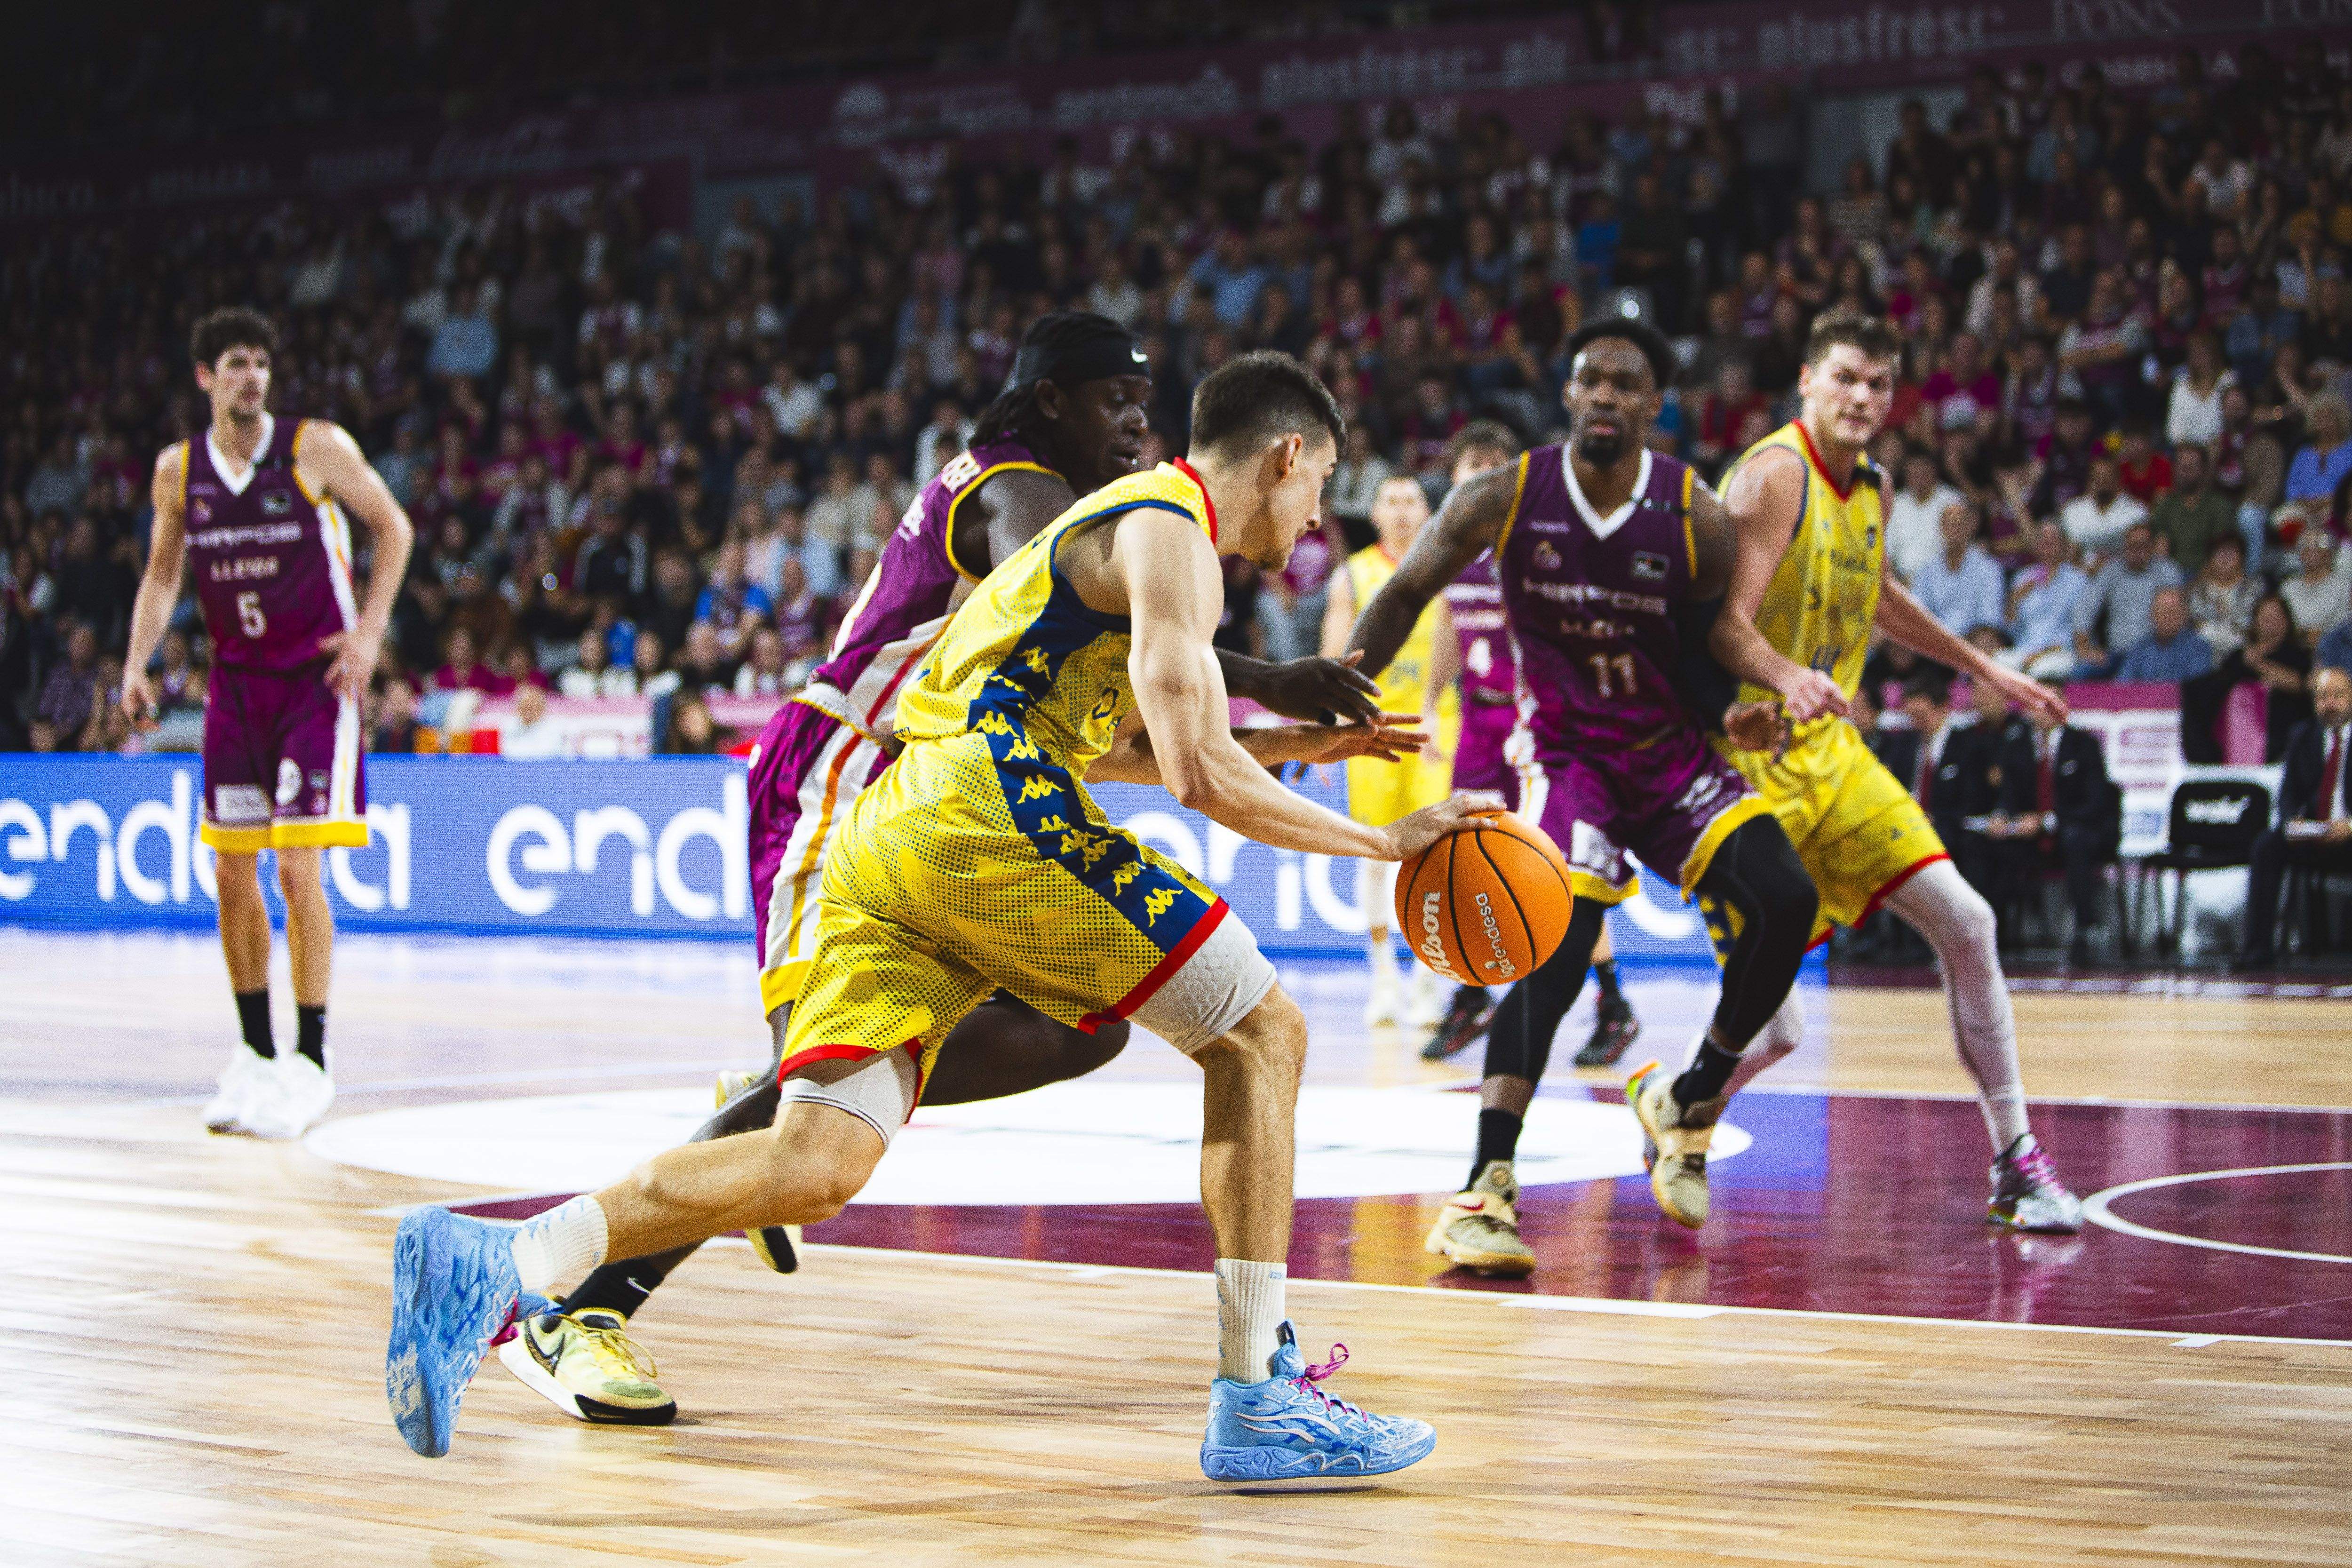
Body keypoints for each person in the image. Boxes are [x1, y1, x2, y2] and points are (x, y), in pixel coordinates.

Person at [389, 351, 1479, 1480]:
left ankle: (500, 1258)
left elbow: (1121, 748)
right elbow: (1198, 776)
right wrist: (1382, 841)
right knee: (1261, 1032)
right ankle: (1258, 1395)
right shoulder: (1171, 526)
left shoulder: (1113, 529)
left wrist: (1302, 747)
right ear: (1289, 454)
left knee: (814, 1162)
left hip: (891, 832)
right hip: (980, 817)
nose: (1315, 520)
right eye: (1322, 485)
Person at [1351, 317, 1820, 1267]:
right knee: (1554, 948)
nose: (1604, 396)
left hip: (1671, 752)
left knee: (1786, 898)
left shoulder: (1695, 512)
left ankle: (1689, 1096)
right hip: (1570, 758)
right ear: (1569, 396)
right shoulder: (1507, 493)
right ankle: (1483, 1191)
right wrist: (1336, 681)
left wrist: (1740, 712)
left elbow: (1707, 652)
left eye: (1624, 384)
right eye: (1589, 381)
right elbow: (1405, 590)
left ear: (1653, 404)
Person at [1705, 309, 2083, 1234]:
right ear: (1806, 381)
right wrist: (1790, 676)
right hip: (1746, 766)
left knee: (1968, 919)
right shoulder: (1775, 475)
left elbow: (1879, 597)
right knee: (1778, 1028)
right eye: (1846, 378)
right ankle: (1678, 1102)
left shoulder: (1864, 483)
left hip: (1832, 758)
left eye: (1878, 382)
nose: (1863, 397)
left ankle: (2015, 1159)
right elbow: (1720, 622)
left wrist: (1986, 669)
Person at [120, 308, 414, 1139]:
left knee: (295, 866)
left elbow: (395, 526)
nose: (252, 375)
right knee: (231, 874)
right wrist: (136, 662)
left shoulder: (314, 446)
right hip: (236, 686)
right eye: (235, 363)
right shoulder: (178, 471)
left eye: (261, 362)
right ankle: (254, 1055)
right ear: (205, 376)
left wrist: (369, 632)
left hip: (315, 684)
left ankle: (310, 1059)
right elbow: (159, 576)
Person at [1321, 472, 1461, 1029]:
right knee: (1374, 855)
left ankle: (1429, 983)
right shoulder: (1352, 574)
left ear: (1426, 512)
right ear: (1374, 513)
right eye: (1391, 501)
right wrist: (1326, 729)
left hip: (1436, 728)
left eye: (1411, 502)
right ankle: (1383, 980)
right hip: (1370, 731)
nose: (1401, 511)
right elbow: (1331, 659)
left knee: (1437, 857)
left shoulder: (1447, 571)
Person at [1991, 685, 2119, 960]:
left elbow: (2095, 803)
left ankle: (2087, 928)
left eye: (2051, 703)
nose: (2044, 709)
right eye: (2037, 702)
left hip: (2077, 831)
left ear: (2063, 707)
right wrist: (2002, 815)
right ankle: (1996, 931)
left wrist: (2048, 822)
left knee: (2076, 840)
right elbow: (2009, 794)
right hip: (2031, 837)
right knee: (1992, 845)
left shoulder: (2084, 744)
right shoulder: (2017, 745)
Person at [2237, 664, 2352, 969]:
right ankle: (2258, 952)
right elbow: (2288, 793)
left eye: (2338, 695)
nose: (2330, 703)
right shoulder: (2303, 736)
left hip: (2350, 835)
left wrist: (2349, 825)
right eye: (2323, 696)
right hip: (2314, 833)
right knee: (2266, 845)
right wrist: (2292, 821)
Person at [2074, 523, 2184, 677]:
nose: (2136, 552)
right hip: (2116, 654)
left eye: (2141, 547)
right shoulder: (2112, 571)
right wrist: (2084, 648)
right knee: (2080, 674)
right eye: (2131, 547)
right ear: (2124, 548)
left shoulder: (2167, 571)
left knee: (2128, 681)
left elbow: (2178, 614)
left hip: (2157, 651)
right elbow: (2085, 608)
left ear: (2152, 548)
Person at [2002, 519, 2089, 679]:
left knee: (2042, 669)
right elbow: (2011, 631)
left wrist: (2039, 655)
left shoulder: (2078, 580)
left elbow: (2077, 629)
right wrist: (2014, 602)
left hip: (2059, 653)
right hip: (2025, 651)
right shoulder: (2023, 578)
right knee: (1997, 662)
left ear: (2063, 545)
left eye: (2052, 542)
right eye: (2043, 541)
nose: (2047, 547)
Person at [1911, 499, 2006, 638]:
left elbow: (1990, 620)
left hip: (1972, 646)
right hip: (1933, 643)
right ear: (1941, 528)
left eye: (1960, 525)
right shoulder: (1925, 571)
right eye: (1950, 525)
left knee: (1986, 639)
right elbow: (1917, 615)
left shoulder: (1989, 569)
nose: (1955, 531)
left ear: (1970, 528)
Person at [2149, 442, 2238, 581]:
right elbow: (2159, 551)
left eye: (2191, 468)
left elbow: (2222, 549)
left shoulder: (2219, 505)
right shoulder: (2166, 505)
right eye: (2182, 467)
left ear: (2203, 470)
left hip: (2209, 577)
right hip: (2172, 576)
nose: (2185, 473)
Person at [2060, 454, 2150, 562]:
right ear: (2090, 481)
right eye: (2098, 477)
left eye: (2108, 477)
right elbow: (2068, 555)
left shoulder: (2137, 513)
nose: (2103, 482)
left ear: (2118, 480)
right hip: (2082, 574)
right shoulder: (2072, 511)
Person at [2114, 587, 2214, 681]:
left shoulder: (2199, 648)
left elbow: (2197, 688)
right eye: (2162, 611)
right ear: (2152, 615)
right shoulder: (2141, 647)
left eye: (2173, 612)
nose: (2167, 618)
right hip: (2144, 699)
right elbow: (2123, 686)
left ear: (2184, 616)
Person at [2281, 530, 2352, 647]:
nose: (2312, 550)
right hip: (2294, 648)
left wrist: (2321, 635)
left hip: (2335, 648)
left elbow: (2346, 621)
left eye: (2319, 546)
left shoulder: (2345, 584)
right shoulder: (2288, 588)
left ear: (2331, 552)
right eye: (2306, 546)